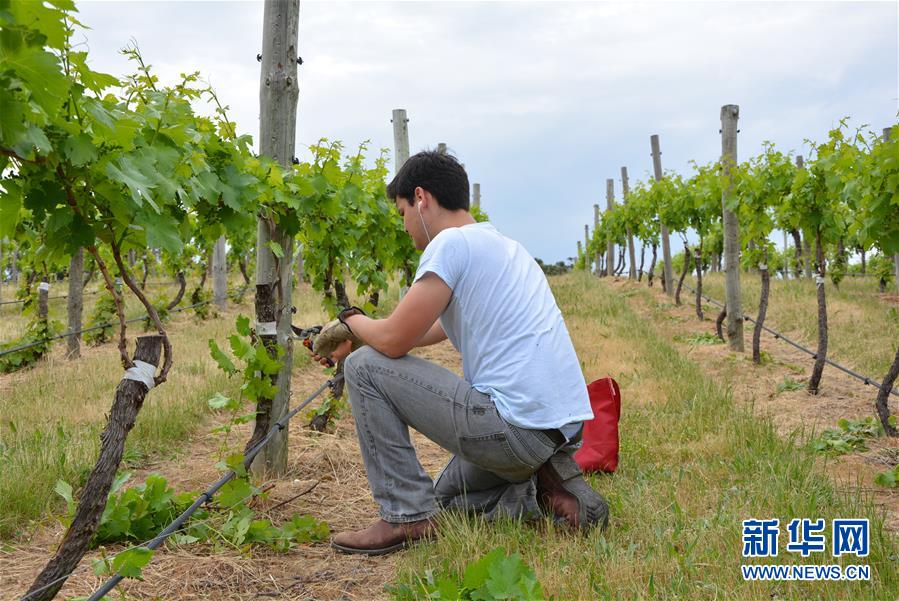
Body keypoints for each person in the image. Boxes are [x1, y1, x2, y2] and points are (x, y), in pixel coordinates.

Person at [312, 150, 609, 555]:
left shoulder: (450, 244)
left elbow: (396, 340)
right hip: (560, 432)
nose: (403, 227)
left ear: (421, 198)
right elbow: (428, 328)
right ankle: (549, 487)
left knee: (364, 367)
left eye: (401, 213)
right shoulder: (503, 245)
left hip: (514, 430)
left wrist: (351, 321)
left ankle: (404, 517)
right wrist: (366, 333)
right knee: (446, 504)